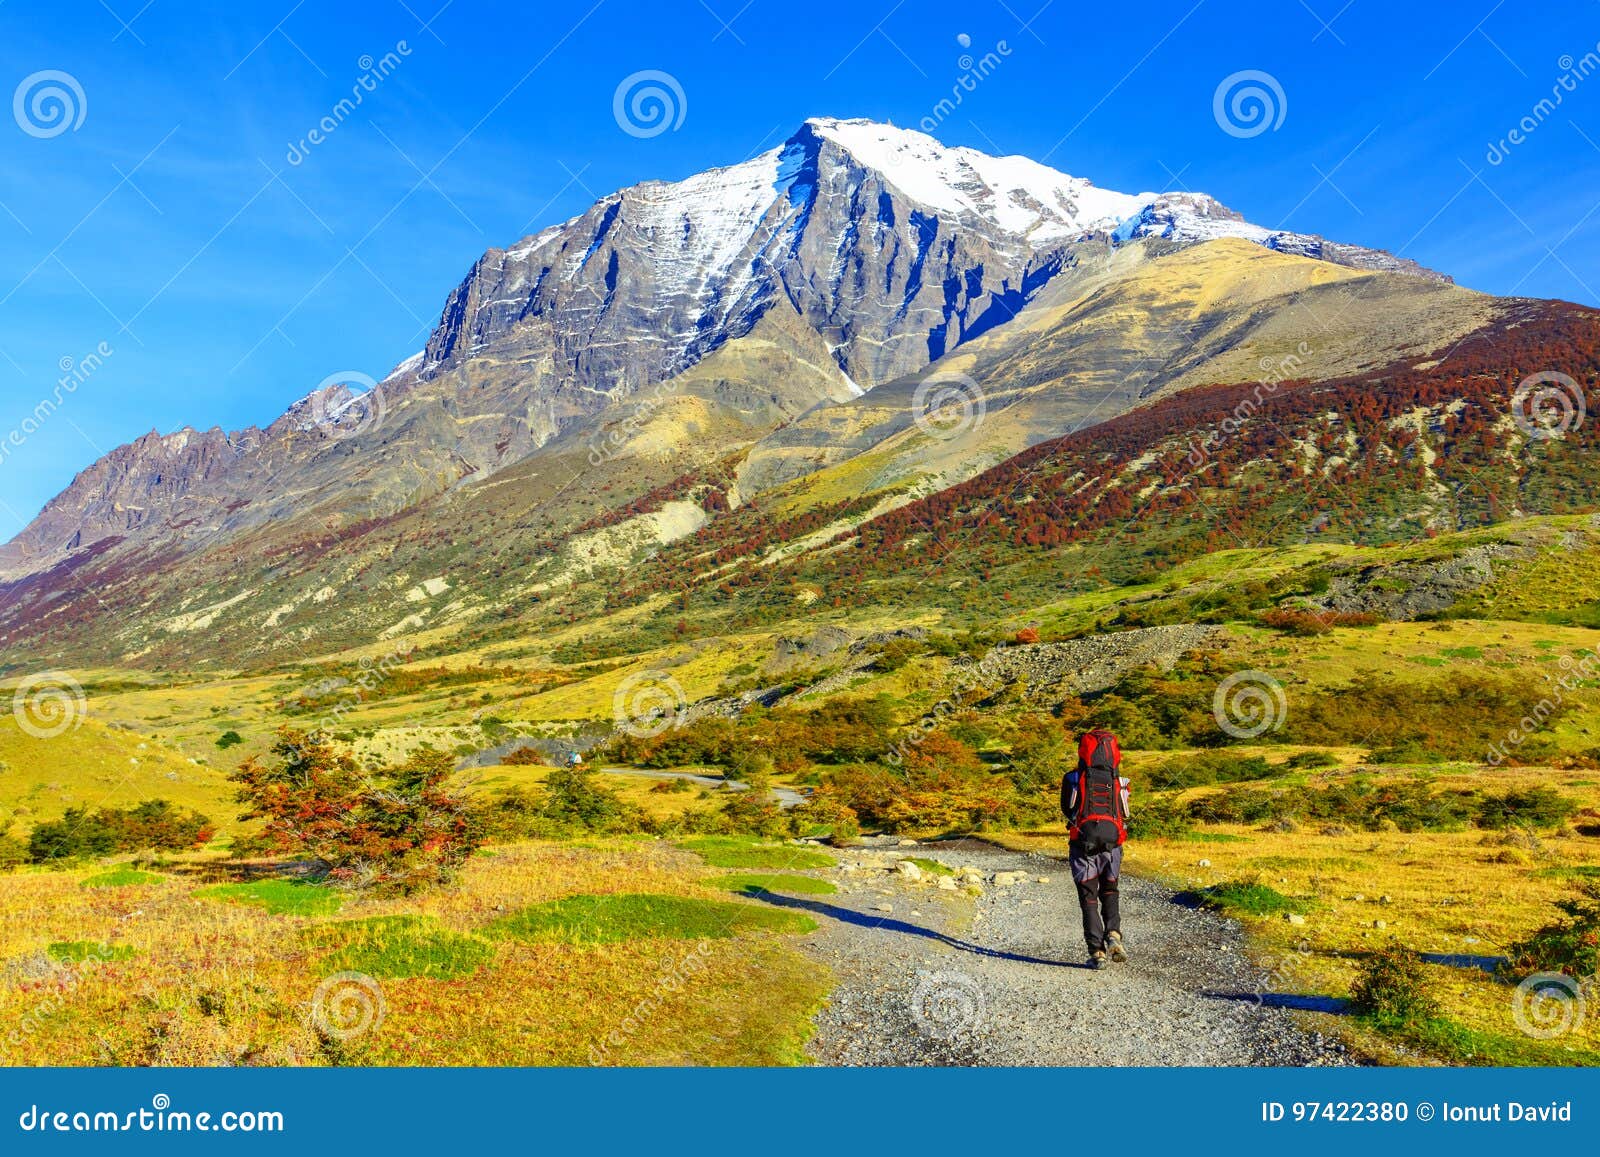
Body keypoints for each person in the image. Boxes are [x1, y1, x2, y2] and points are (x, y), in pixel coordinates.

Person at [1060, 725, 1131, 970]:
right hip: (1113, 847)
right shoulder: (1120, 781)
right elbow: (1125, 813)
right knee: (1110, 891)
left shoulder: (1072, 778)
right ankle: (1114, 933)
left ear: (1083, 751)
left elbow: (1068, 811)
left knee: (1088, 899)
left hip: (1082, 845)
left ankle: (1097, 952)